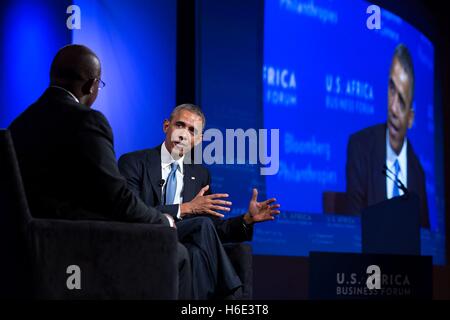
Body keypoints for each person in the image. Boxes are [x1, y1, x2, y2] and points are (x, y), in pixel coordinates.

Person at [8, 44, 192, 298]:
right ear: (91, 86)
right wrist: (162, 221)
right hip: (82, 245)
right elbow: (117, 199)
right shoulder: (87, 120)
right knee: (177, 253)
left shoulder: (18, 125)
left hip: (28, 252)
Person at [118, 103, 281, 299]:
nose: (184, 134)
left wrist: (247, 219)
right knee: (201, 227)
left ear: (198, 139)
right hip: (147, 235)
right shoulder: (134, 162)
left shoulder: (200, 174)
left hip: (183, 243)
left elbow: (214, 230)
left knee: (196, 250)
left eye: (192, 130)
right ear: (166, 126)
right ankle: (234, 293)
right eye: (180, 125)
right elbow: (131, 212)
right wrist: (185, 208)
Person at [346, 43, 429, 228]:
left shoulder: (418, 173)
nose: (392, 108)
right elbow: (353, 232)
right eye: (392, 90)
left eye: (402, 101)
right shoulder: (360, 148)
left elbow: (424, 240)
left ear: (411, 118)